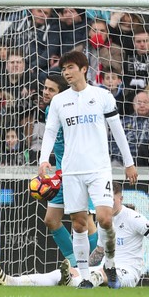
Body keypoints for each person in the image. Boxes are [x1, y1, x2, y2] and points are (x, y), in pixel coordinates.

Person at [39, 51, 138, 289]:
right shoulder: (59, 102)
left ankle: (110, 262)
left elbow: (117, 130)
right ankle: (84, 276)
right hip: (72, 172)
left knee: (104, 219)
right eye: (63, 69)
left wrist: (129, 162)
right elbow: (50, 131)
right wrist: (44, 160)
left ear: (84, 69)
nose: (66, 73)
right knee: (78, 224)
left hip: (98, 169)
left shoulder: (102, 96)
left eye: (70, 67)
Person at [0, 182, 149, 288]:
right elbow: (100, 251)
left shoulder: (133, 217)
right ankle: (11, 281)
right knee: (58, 274)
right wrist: (80, 267)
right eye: (106, 197)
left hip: (128, 272)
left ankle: (74, 281)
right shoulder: (104, 219)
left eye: (113, 198)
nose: (109, 201)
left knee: (101, 274)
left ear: (121, 199)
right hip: (103, 268)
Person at [40, 74, 99, 266]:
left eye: (51, 90)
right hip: (61, 173)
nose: (45, 92)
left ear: (62, 93)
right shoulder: (50, 110)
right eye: (45, 88)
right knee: (51, 220)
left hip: (79, 172)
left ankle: (97, 265)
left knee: (85, 222)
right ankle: (74, 263)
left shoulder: (73, 111)